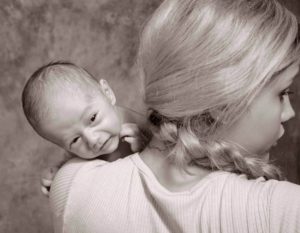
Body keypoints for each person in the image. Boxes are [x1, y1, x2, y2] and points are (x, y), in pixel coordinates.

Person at [50, 0, 300, 232]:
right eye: (282, 92)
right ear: (222, 100)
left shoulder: (71, 186)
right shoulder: (283, 212)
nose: (290, 113)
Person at [22, 62, 149, 193]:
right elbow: (74, 165)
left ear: (107, 93)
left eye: (93, 118)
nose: (92, 140)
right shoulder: (79, 152)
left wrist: (147, 145)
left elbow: (168, 155)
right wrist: (59, 176)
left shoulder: (141, 125)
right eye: (75, 140)